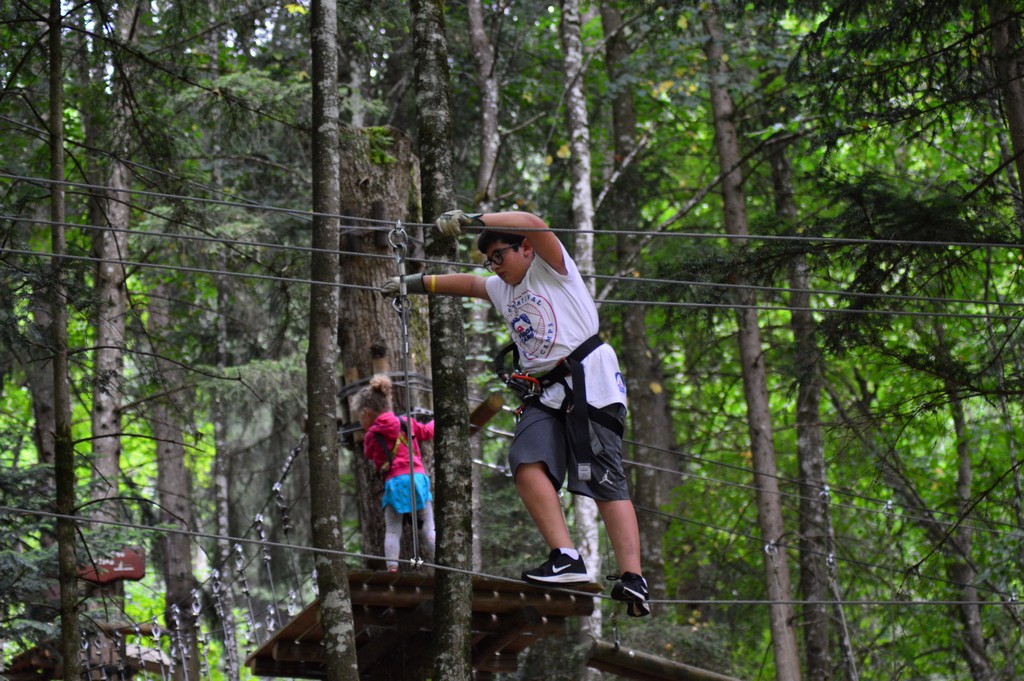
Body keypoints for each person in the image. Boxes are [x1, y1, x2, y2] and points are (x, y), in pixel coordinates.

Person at [380, 209, 649, 617]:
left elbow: (535, 222)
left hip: (589, 379)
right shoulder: (500, 287)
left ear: (524, 248)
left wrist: (473, 219)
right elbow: (467, 283)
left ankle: (633, 577)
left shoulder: (553, 268)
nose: (494, 266)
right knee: (525, 463)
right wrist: (413, 284)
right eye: (489, 260)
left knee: (602, 478)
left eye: (499, 256)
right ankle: (565, 557)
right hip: (544, 392)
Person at [355, 374, 436, 573]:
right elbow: (428, 432)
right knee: (429, 527)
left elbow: (369, 454)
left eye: (359, 416)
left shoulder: (371, 436)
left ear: (366, 412)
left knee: (393, 529)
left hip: (394, 484)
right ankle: (444, 565)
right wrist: (438, 420)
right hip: (417, 480)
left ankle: (392, 568)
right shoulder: (406, 422)